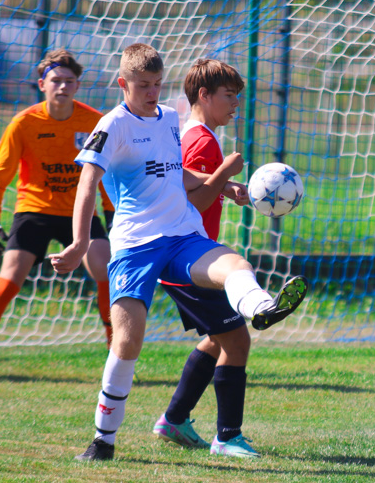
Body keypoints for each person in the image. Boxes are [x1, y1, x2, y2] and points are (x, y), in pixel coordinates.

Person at [48, 43, 308, 461]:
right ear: (123, 84)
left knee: (234, 263)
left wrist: (222, 185)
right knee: (128, 342)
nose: (152, 92)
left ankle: (262, 307)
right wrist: (80, 243)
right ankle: (103, 440)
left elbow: (176, 172)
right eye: (143, 86)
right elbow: (86, 183)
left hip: (182, 235)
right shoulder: (111, 125)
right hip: (135, 245)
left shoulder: (170, 118)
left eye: (156, 84)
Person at [0, 49, 115, 383]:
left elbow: (106, 173)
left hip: (79, 212)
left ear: (77, 85)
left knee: (105, 270)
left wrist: (112, 216)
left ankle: (118, 360)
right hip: (33, 211)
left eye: (69, 81)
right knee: (10, 277)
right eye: (56, 80)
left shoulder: (94, 122)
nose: (62, 87)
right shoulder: (23, 123)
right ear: (42, 84)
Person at [151, 58, 259, 457]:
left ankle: (174, 419)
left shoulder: (196, 134)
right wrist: (225, 171)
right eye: (229, 96)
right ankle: (228, 437)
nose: (235, 105)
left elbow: (190, 183)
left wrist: (225, 185)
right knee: (237, 339)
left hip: (186, 254)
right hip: (187, 257)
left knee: (219, 338)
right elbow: (192, 199)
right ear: (204, 95)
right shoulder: (203, 141)